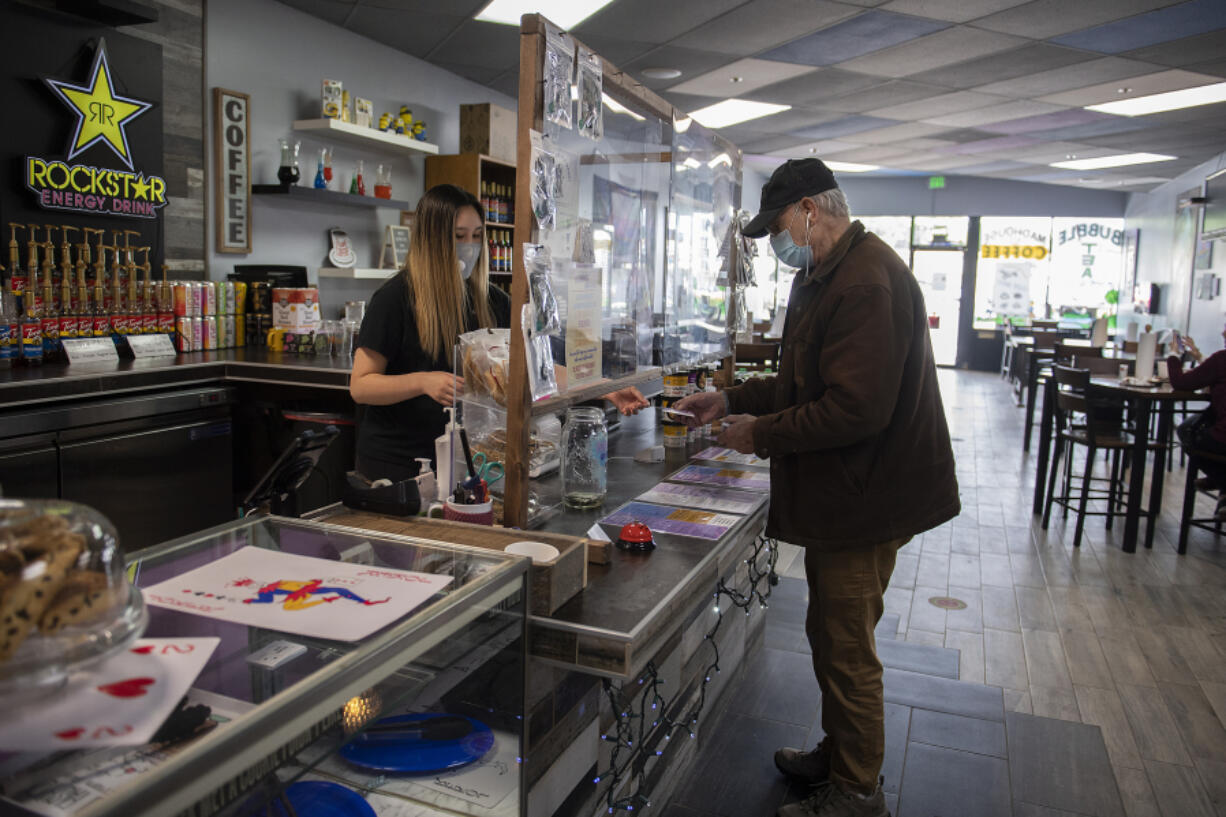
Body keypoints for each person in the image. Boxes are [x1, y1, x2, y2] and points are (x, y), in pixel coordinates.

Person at [674, 159, 959, 817]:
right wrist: (731, 399)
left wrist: (761, 433)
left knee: (847, 644)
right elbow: (805, 383)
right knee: (830, 633)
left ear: (808, 209)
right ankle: (841, 754)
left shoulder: (863, 284)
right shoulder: (823, 274)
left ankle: (859, 792)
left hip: (868, 497)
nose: (777, 241)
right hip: (849, 492)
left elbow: (856, 409)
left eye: (777, 225)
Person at [351, 184, 647, 481]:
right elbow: (361, 386)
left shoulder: (492, 301)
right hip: (398, 467)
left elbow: (536, 368)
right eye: (459, 236)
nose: (470, 245)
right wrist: (422, 381)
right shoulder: (394, 299)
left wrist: (605, 388)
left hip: (470, 461)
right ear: (432, 240)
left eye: (477, 235)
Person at [1169, 326, 1226, 519]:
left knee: (1187, 431)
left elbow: (1180, 383)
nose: (1223, 333)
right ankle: (1221, 484)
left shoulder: (1221, 359)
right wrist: (1199, 357)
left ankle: (1221, 480)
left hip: (1223, 440)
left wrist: (1174, 354)